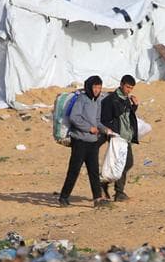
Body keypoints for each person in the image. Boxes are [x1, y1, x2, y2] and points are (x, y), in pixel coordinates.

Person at [58, 75, 110, 208]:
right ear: (89, 87)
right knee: (74, 170)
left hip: (93, 142)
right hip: (80, 141)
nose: (97, 90)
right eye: (95, 87)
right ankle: (63, 197)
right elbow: (74, 117)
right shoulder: (82, 99)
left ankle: (97, 198)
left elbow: (97, 120)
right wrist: (89, 128)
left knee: (93, 170)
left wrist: (105, 130)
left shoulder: (97, 101)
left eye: (99, 87)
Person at [100, 74, 140, 202]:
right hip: (117, 137)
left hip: (125, 136)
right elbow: (104, 119)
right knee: (122, 163)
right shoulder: (111, 99)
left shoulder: (126, 99)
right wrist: (111, 132)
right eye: (128, 87)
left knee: (127, 163)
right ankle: (116, 191)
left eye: (131, 88)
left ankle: (111, 187)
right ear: (122, 84)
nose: (129, 90)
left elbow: (127, 117)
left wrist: (134, 106)